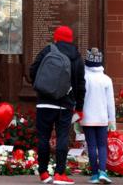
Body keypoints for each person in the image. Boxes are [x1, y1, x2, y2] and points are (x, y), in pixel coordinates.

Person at [30, 26, 86, 184]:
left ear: (56, 38)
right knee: (62, 137)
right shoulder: (76, 57)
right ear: (71, 38)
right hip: (65, 104)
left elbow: (32, 70)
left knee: (43, 138)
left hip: (44, 103)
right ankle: (60, 174)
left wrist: (41, 87)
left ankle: (43, 173)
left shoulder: (47, 50)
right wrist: (79, 107)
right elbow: (81, 84)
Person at [80, 47, 115, 184]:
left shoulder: (83, 78)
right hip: (102, 118)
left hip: (87, 118)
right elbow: (110, 102)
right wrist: (112, 120)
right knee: (102, 145)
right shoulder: (106, 79)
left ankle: (94, 174)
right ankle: (103, 171)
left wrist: (77, 118)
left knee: (91, 145)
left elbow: (79, 99)